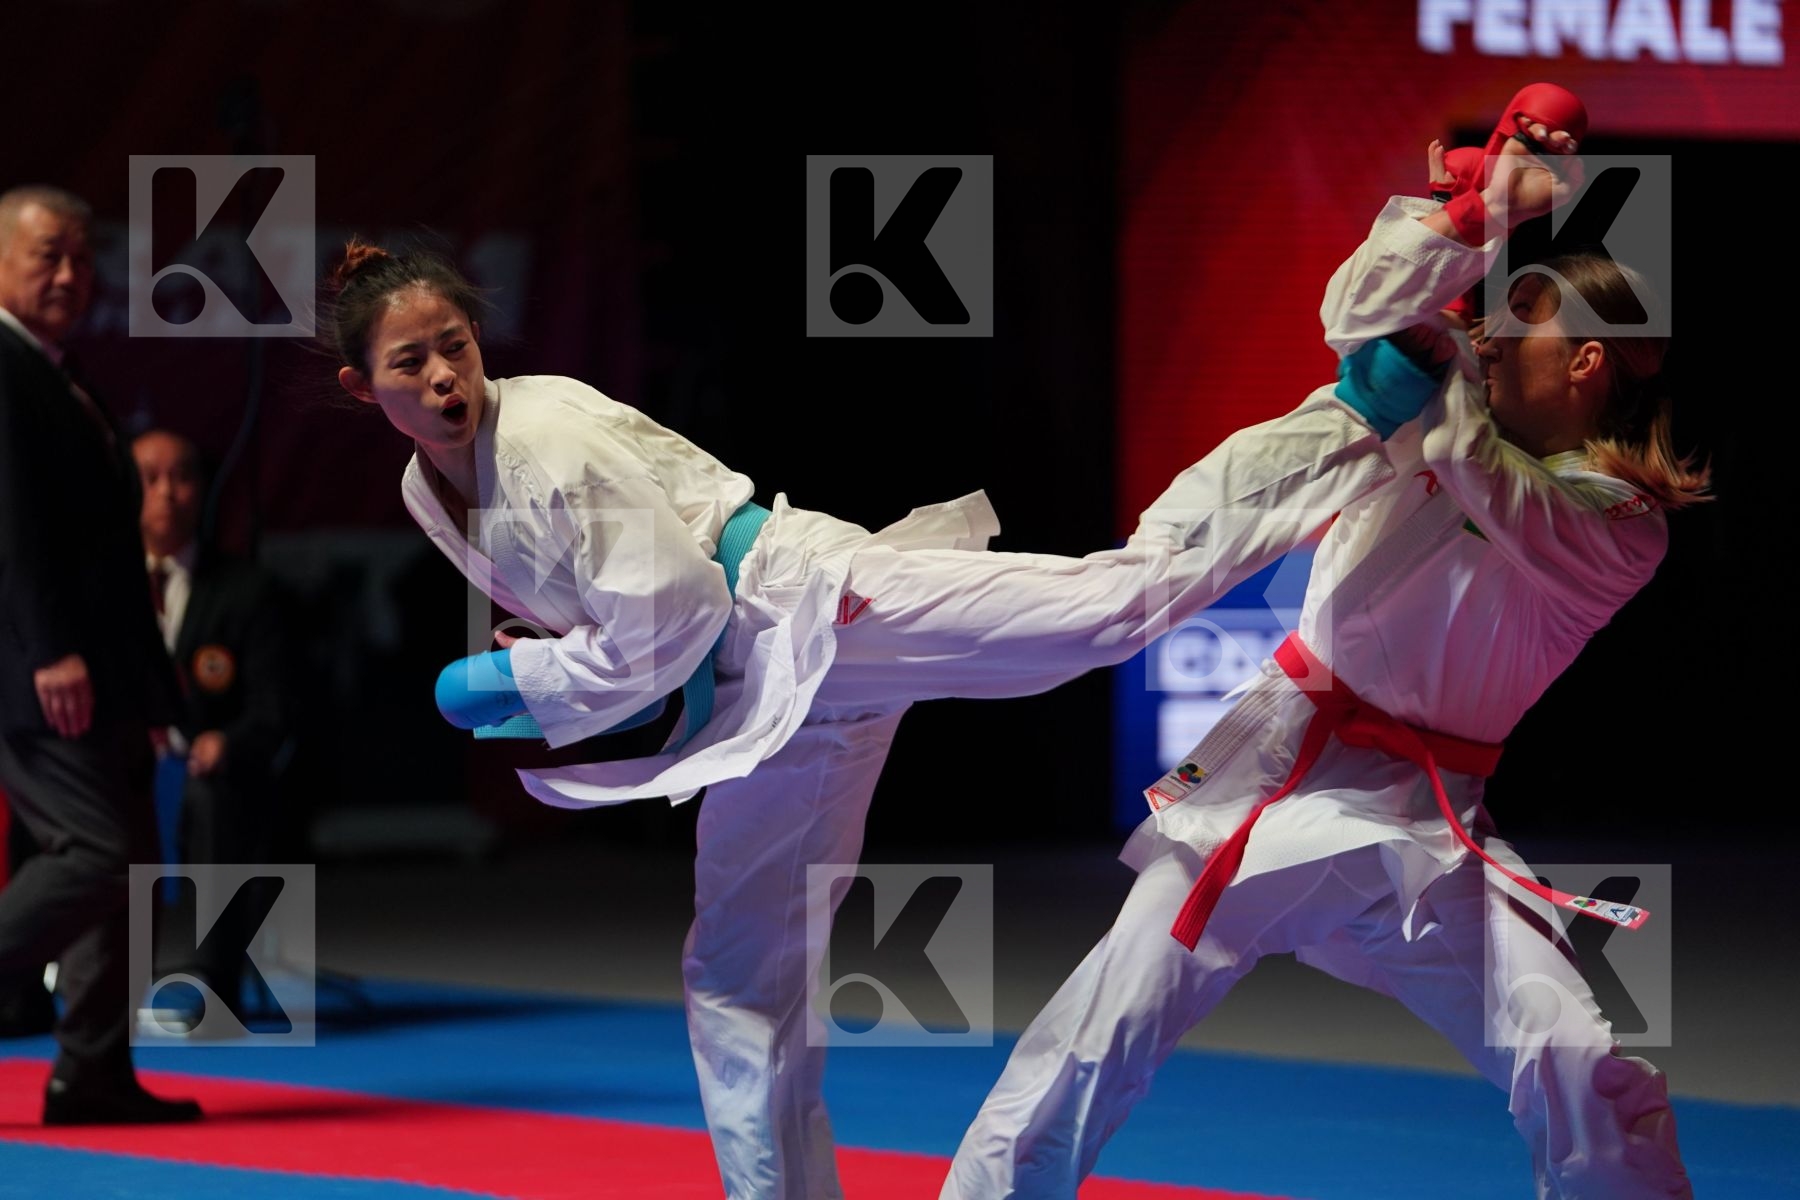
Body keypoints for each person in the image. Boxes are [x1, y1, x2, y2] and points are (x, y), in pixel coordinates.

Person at [325, 229, 1439, 1198]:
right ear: (358, 389)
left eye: (454, 348)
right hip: (761, 703)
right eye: (408, 363)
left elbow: (673, 610)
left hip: (813, 607)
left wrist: (537, 684)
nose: (440, 377)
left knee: (1115, 604)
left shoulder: (544, 438)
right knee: (736, 974)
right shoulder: (434, 488)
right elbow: (615, 620)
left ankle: (1353, 410)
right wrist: (553, 660)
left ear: (480, 342)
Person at [940, 89, 1705, 1198]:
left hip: (1431, 832)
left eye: (1519, 323)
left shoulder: (1618, 528)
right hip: (1283, 785)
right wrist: (1470, 207)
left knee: (1579, 1059)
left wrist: (1421, 354)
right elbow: (1358, 310)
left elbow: (1478, 469)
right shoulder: (1428, 413)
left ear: (1586, 365)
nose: (1486, 338)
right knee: (1097, 1034)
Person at [0, 184, 202, 1124]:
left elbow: (109, 557)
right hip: (41, 668)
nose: (72, 274)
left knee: (127, 871)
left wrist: (155, 691)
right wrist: (51, 651)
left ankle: (92, 1074)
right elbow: (14, 529)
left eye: (82, 258)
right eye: (48, 255)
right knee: (92, 851)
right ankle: (87, 1067)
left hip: (107, 672)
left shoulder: (62, 373)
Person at [133, 428, 294, 1021]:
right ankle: (43, 984)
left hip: (206, 770)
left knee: (214, 794)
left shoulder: (246, 590)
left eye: (181, 476)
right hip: (118, 764)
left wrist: (225, 740)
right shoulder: (98, 588)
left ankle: (213, 978)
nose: (167, 492)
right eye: (149, 478)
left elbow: (274, 710)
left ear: (202, 491)